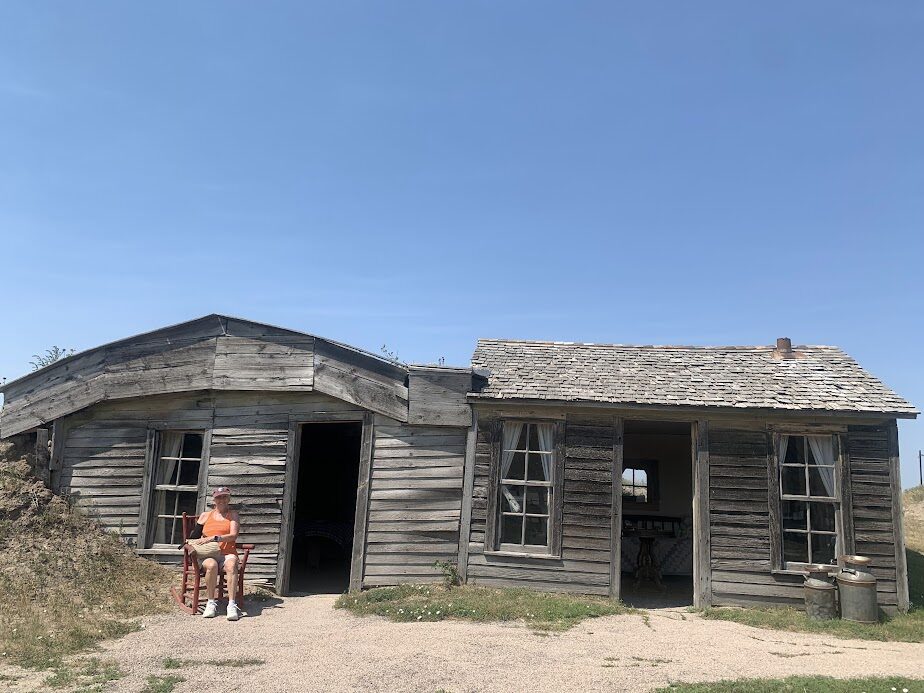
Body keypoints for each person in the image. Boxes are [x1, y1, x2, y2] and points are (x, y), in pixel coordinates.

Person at [187, 487, 242, 621]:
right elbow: (194, 536)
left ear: (229, 499)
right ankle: (211, 602)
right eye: (219, 497)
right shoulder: (206, 515)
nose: (221, 500)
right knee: (211, 565)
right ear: (214, 499)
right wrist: (192, 543)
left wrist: (214, 538)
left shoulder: (233, 515)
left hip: (227, 552)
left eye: (224, 497)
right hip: (208, 553)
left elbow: (233, 535)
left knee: (231, 565)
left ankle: (231, 604)